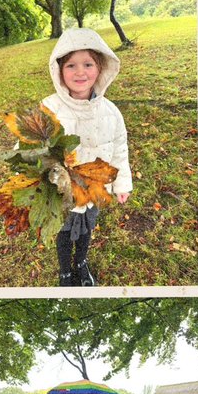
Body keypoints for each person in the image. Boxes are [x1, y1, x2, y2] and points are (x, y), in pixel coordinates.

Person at [42, 29, 131, 286]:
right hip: (61, 193)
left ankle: (81, 262)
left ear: (100, 67)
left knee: (86, 229)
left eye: (88, 64)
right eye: (71, 65)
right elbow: (29, 148)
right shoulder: (49, 108)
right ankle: (65, 270)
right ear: (59, 70)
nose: (80, 72)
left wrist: (121, 184)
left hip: (93, 189)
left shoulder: (111, 112)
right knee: (64, 231)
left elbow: (119, 149)